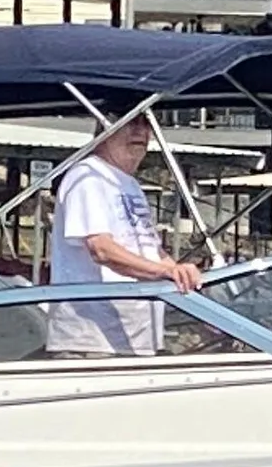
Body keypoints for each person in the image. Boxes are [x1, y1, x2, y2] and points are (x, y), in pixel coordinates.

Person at [45, 112, 204, 355]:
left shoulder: (130, 184)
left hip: (136, 340)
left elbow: (152, 251)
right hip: (93, 344)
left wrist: (193, 286)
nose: (140, 131)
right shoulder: (88, 177)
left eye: (146, 123)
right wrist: (169, 272)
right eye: (130, 122)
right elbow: (101, 249)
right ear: (105, 130)